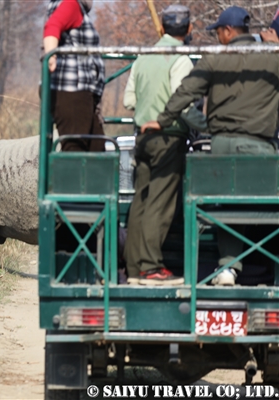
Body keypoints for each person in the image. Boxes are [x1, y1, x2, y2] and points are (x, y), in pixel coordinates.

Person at [141, 6, 279, 286]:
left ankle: (228, 267)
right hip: (261, 149)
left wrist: (163, 119)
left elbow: (185, 92)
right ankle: (265, 266)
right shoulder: (273, 58)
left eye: (218, 31)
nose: (217, 37)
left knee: (227, 204)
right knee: (265, 208)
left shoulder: (215, 58)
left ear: (228, 31)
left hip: (222, 146)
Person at [122, 5, 207, 286]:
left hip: (141, 138)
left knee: (141, 202)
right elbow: (181, 105)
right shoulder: (180, 59)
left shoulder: (143, 58)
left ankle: (134, 269)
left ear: (163, 28)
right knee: (160, 204)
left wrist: (148, 108)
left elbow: (129, 101)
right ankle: (150, 268)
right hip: (168, 138)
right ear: (189, 30)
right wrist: (208, 125)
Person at [43, 0, 106, 152]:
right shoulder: (70, 3)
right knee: (74, 148)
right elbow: (52, 27)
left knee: (97, 147)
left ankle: (97, 176)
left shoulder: (72, 6)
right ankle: (67, 176)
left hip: (81, 90)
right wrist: (51, 57)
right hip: (71, 90)